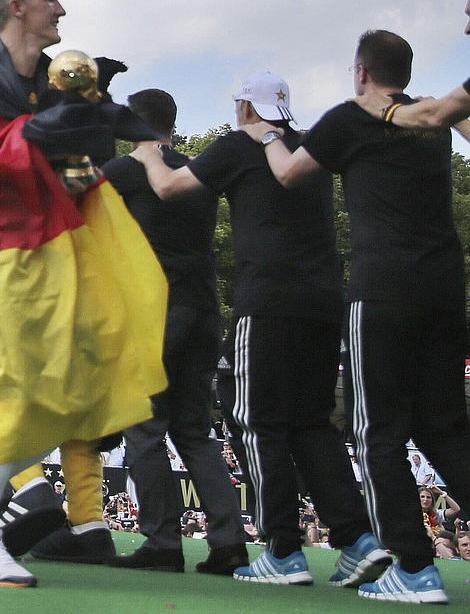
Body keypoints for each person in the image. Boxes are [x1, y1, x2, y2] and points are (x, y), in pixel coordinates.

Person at [0, 0, 167, 587]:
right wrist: (36, 133)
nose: (62, 8)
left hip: (45, 243)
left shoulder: (51, 81)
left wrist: (92, 140)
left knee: (71, 386)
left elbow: (71, 165)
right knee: (16, 384)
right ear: (17, 8)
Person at [134, 72, 389, 589]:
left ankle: (283, 551)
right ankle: (357, 539)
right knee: (312, 423)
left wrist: (146, 155)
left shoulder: (236, 145)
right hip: (323, 304)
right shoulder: (307, 145)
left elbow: (168, 188)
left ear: (246, 109)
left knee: (255, 421)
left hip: (266, 301)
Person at [243, 30, 468, 604]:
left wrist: (267, 133)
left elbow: (291, 173)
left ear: (361, 72)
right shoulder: (433, 117)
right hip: (444, 287)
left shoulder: (349, 119)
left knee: (376, 432)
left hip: (382, 292)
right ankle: (412, 563)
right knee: (444, 428)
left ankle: (416, 568)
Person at [99, 89, 249, 575]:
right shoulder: (197, 172)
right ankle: (229, 542)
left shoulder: (123, 172)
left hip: (152, 311)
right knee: (195, 431)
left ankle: (163, 542)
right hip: (203, 307)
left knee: (144, 429)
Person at [353, 0, 470, 133]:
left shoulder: (340, 121)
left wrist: (380, 109)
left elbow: (435, 116)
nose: (466, 29)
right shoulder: (440, 133)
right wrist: (452, 115)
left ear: (362, 73)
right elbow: (437, 115)